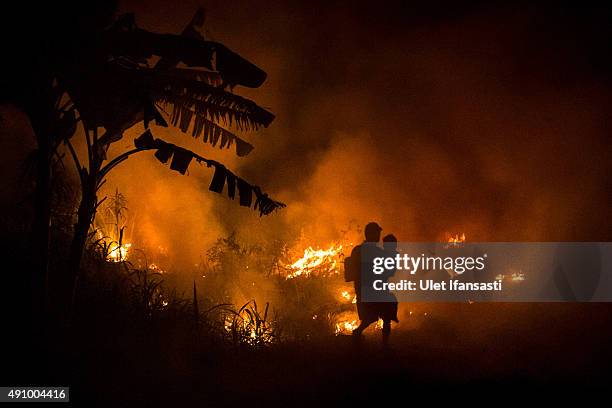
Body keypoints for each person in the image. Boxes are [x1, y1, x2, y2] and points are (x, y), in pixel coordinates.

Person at [351, 223, 399, 342]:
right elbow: (389, 272)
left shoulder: (358, 250)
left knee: (371, 318)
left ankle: (357, 334)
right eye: (377, 233)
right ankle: (384, 346)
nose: (379, 235)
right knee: (385, 316)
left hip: (365, 290)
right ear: (370, 234)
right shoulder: (374, 251)